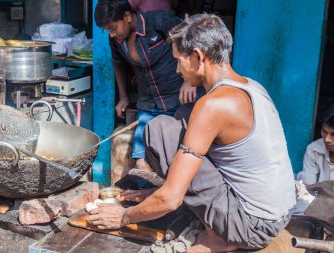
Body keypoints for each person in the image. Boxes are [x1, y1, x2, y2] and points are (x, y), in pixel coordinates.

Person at [88, 14, 296, 252]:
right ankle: (220, 224)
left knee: (160, 130)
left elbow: (170, 199)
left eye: (178, 60)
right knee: (182, 116)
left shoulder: (214, 105)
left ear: (198, 56)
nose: (177, 70)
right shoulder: (251, 86)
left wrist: (124, 216)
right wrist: (158, 192)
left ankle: (224, 237)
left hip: (253, 227)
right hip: (280, 213)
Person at [95, 0, 197, 171]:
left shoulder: (158, 21)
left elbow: (190, 40)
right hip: (148, 104)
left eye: (113, 28)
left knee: (173, 160)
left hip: (176, 99)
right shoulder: (117, 40)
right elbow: (117, 64)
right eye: (108, 30)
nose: (111, 34)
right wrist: (124, 97)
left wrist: (189, 81)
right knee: (141, 161)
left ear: (127, 16)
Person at [299, 104, 334, 184]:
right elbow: (309, 185)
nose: (327, 139)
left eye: (333, 134)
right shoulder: (313, 150)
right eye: (324, 131)